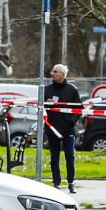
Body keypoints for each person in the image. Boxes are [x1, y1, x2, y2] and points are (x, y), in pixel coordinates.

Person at [40, 63, 81, 192]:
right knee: (54, 157)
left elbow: (78, 109)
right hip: (52, 128)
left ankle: (71, 182)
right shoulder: (47, 89)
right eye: (52, 71)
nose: (52, 73)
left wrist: (71, 121)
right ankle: (56, 182)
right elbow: (42, 107)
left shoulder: (72, 90)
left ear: (62, 75)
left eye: (55, 71)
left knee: (70, 156)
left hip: (67, 129)